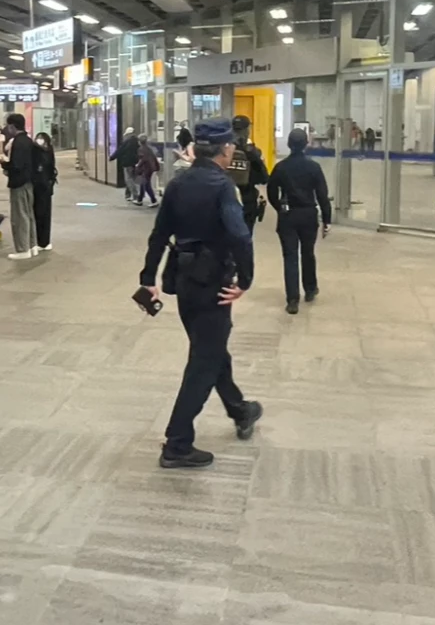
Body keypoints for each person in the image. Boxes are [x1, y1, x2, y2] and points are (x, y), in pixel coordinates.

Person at [139, 118, 264, 469]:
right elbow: (240, 236)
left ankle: (240, 410)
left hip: (183, 281)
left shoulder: (178, 183)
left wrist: (148, 276)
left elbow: (159, 234)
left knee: (210, 350)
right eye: (231, 146)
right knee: (203, 362)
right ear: (225, 150)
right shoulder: (223, 186)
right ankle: (177, 443)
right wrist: (245, 280)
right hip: (213, 284)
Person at [267, 128, 332, 314]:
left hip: (288, 216)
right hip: (308, 214)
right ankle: (310, 289)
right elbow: (322, 195)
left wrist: (279, 207)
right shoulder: (314, 167)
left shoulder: (281, 167)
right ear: (306, 144)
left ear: (289, 144)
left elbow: (271, 191)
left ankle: (292, 300)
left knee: (290, 257)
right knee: (308, 253)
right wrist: (326, 220)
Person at [2, 113, 38, 260]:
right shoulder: (28, 140)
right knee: (29, 214)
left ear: (12, 126)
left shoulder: (17, 142)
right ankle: (32, 245)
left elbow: (16, 165)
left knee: (19, 216)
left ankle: (23, 249)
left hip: (18, 183)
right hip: (29, 182)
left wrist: (5, 165)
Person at [226, 115, 270, 232]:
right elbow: (263, 178)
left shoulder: (222, 151)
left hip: (225, 198)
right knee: (245, 234)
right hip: (247, 199)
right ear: (247, 130)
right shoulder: (254, 152)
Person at [33, 130, 58, 251]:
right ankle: (41, 240)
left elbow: (49, 168)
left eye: (41, 139)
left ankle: (44, 242)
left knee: (43, 214)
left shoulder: (46, 153)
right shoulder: (39, 152)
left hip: (44, 187)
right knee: (39, 214)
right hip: (42, 187)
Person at [110, 127, 140, 202]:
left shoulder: (127, 142)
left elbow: (120, 150)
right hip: (135, 162)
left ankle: (135, 196)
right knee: (131, 178)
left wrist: (112, 157)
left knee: (129, 179)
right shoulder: (137, 141)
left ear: (128, 134)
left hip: (127, 162)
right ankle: (128, 195)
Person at [133, 134, 160, 206]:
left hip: (146, 168)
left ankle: (154, 201)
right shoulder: (148, 148)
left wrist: (138, 166)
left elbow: (143, 159)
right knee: (143, 184)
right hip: (150, 168)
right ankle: (139, 199)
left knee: (147, 185)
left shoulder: (141, 149)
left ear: (139, 141)